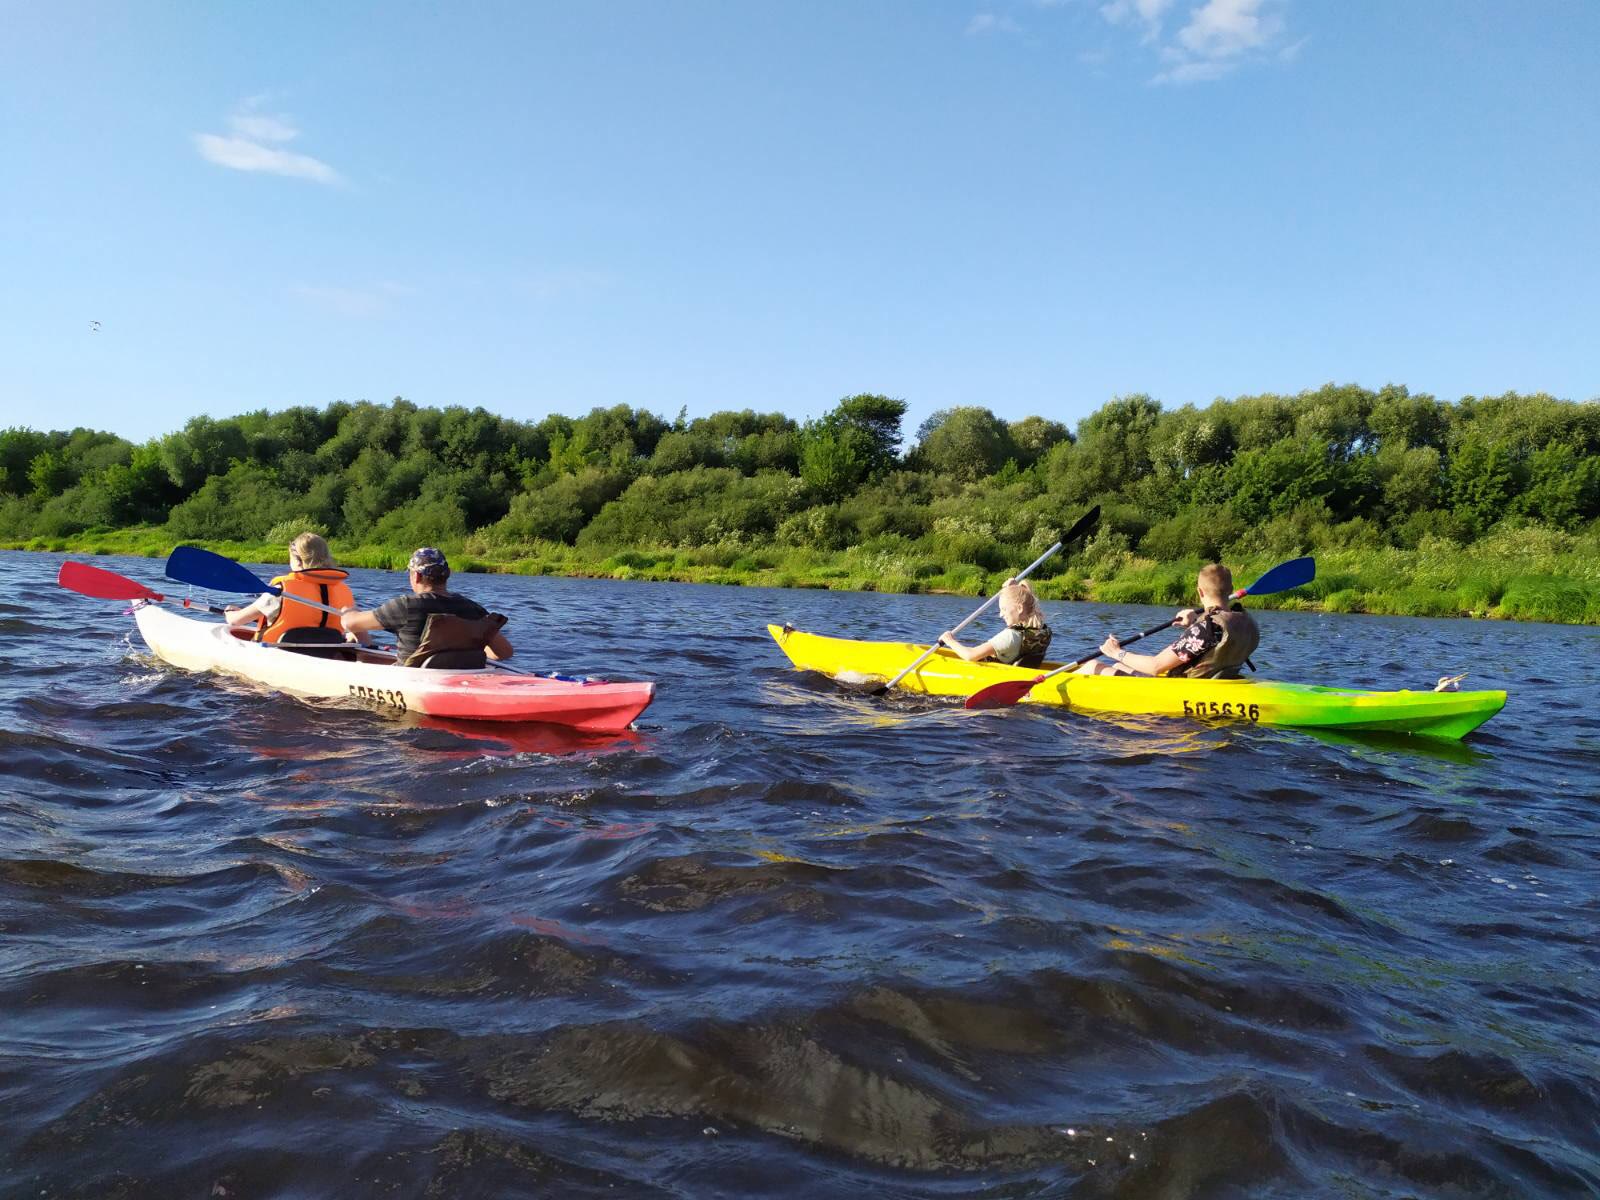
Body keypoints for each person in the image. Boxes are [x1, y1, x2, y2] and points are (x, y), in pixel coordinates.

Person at [1076, 562, 1259, 678]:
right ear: (1231, 589)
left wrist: (1117, 652)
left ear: (1200, 591)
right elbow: (1214, 641)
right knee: (1118, 666)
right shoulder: (1246, 621)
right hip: (1216, 683)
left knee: (1092, 666)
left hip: (1183, 691)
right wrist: (1196, 621)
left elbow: (1156, 667)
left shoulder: (1206, 628)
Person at [340, 547, 513, 668]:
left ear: (416, 576)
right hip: (460, 678)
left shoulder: (405, 606)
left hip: (415, 680)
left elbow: (351, 624)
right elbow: (504, 652)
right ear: (448, 574)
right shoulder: (473, 609)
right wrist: (466, 652)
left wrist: (347, 611)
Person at [225, 532, 363, 646]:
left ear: (297, 561)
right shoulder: (344, 591)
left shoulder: (281, 590)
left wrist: (230, 613)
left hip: (280, 653)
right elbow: (360, 634)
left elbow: (236, 621)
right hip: (329, 651)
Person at [937, 578, 1054, 668]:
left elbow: (970, 655)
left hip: (997, 678)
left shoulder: (1011, 636)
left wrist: (949, 640)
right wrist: (1012, 589)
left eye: (1004, 609)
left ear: (1019, 608)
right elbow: (1029, 604)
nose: (1001, 614)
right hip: (1021, 675)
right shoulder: (1042, 630)